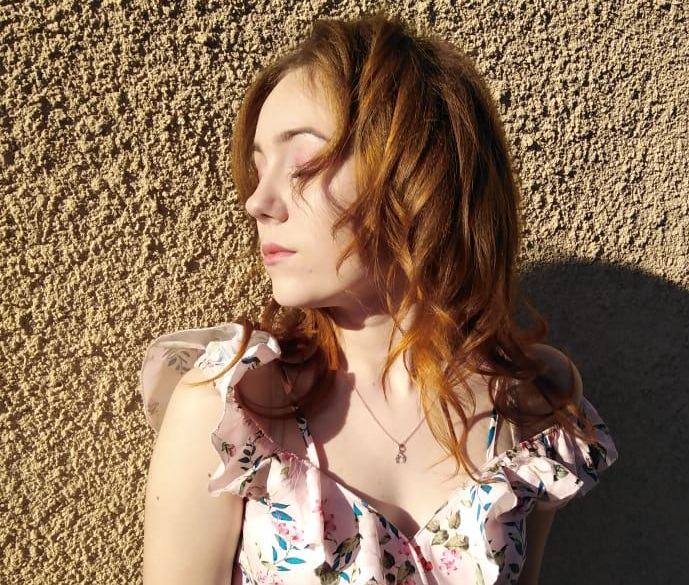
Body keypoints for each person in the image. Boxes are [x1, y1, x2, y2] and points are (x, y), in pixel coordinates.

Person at [139, 11, 618, 585]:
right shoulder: (234, 408)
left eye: (302, 163)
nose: (257, 201)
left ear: (420, 172)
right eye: (258, 169)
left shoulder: (533, 403)